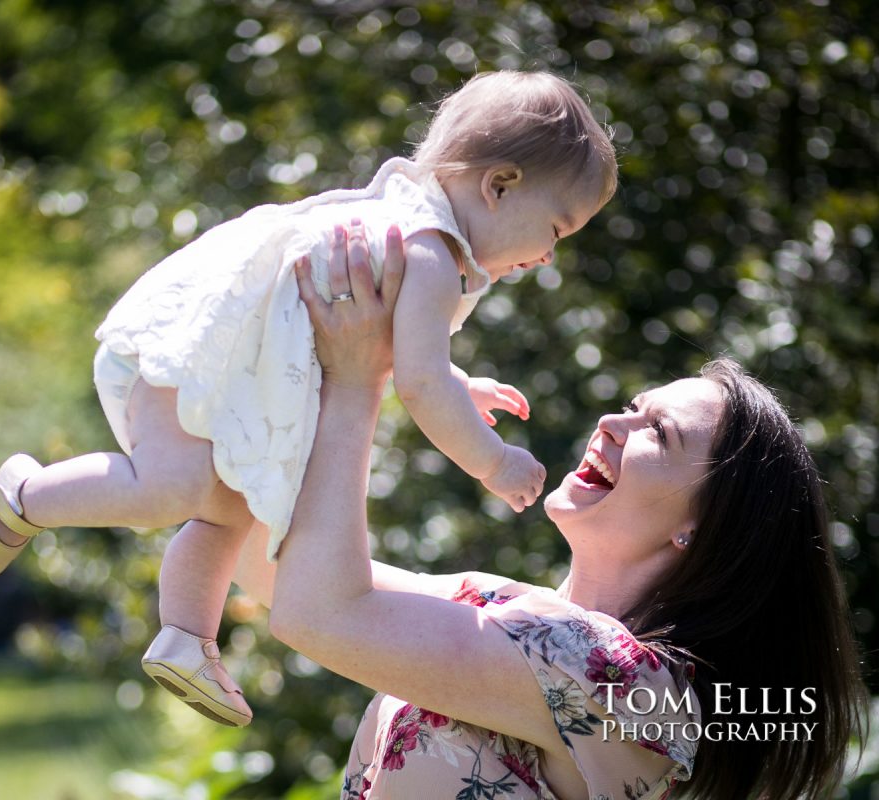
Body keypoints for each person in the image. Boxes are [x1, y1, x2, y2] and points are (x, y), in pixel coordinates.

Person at [0, 70, 617, 725]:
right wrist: (493, 461)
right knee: (171, 487)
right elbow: (418, 381)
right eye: (557, 230)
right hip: (210, 353)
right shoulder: (432, 253)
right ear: (499, 185)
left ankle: (187, 637)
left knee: (234, 500)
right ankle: (26, 496)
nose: (549, 258)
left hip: (250, 382)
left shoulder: (418, 225)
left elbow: (410, 356)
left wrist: (458, 384)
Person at [222, 225, 869, 798]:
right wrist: (290, 370)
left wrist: (360, 378)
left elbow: (319, 615)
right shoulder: (504, 606)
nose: (614, 423)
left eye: (658, 433)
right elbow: (271, 570)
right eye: (633, 406)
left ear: (702, 527)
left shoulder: (628, 684)